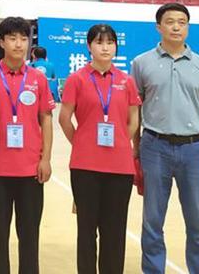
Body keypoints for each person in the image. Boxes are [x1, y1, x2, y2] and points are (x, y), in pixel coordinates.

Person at [132, 3, 199, 274]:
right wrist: (136, 148)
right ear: (158, 27)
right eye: (170, 21)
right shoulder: (141, 63)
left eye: (182, 22)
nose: (176, 27)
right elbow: (134, 108)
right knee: (152, 220)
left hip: (194, 150)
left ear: (188, 27)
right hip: (154, 147)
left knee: (198, 222)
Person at [0, 16, 54, 274]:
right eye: (12, 38)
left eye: (23, 38)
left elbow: (46, 119)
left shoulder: (38, 79)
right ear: (2, 42)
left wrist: (45, 159)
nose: (18, 44)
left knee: (29, 237)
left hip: (31, 171)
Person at [59, 24, 141, 274]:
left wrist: (120, 142)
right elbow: (64, 118)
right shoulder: (77, 79)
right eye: (99, 42)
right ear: (89, 46)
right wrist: (81, 143)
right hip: (85, 167)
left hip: (120, 167)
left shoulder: (126, 81)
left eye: (110, 42)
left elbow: (133, 120)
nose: (105, 47)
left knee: (114, 231)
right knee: (86, 230)